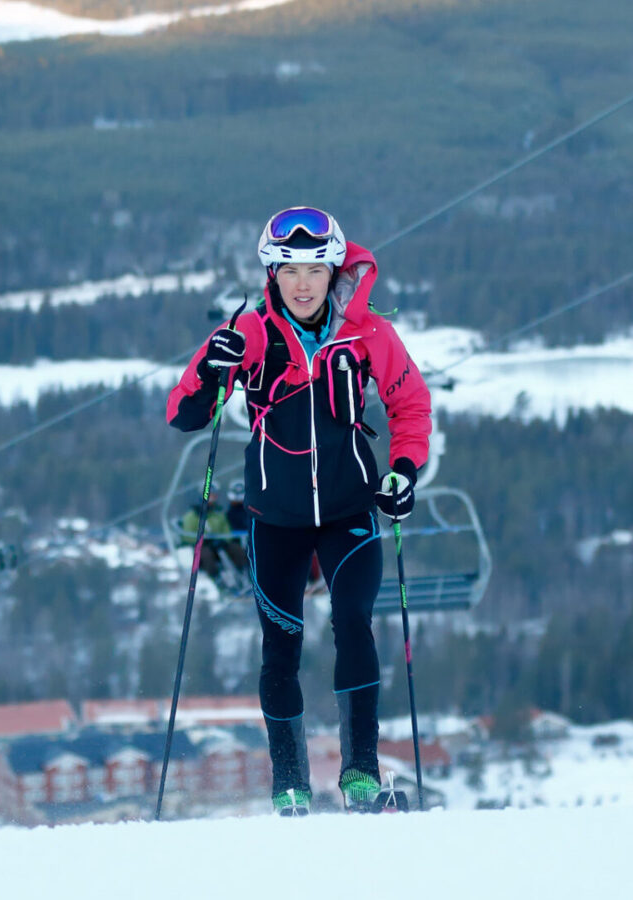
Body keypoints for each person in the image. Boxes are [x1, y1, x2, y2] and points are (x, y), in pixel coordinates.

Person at [167, 207, 430, 815]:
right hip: (275, 518)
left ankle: (360, 777)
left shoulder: (368, 336)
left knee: (355, 625)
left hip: (349, 511)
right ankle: (289, 786)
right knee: (279, 646)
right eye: (290, 270)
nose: (304, 282)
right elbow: (185, 413)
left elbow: (411, 407)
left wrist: (404, 472)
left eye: (315, 268)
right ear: (272, 275)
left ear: (334, 269)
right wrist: (210, 371)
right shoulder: (249, 334)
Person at [175, 490, 245, 593]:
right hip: (202, 546)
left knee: (235, 549)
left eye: (214, 496)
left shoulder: (218, 515)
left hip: (218, 544)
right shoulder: (192, 517)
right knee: (206, 555)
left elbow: (226, 530)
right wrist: (205, 541)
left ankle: (244, 573)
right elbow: (187, 536)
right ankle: (218, 580)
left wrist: (223, 540)